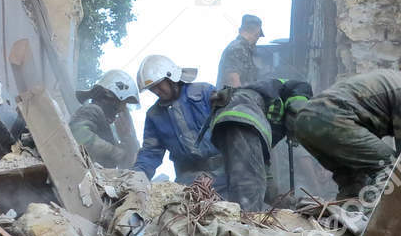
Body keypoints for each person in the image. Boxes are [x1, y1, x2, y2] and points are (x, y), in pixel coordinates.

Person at [286, 42, 401, 199]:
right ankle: (370, 221)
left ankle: (346, 218)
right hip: (331, 118)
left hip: (306, 122)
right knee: (391, 169)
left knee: (354, 180)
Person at [208, 76, 313, 212]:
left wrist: (279, 199)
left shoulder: (267, 116)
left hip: (225, 122)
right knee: (249, 183)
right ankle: (245, 226)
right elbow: (298, 112)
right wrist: (297, 134)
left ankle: (236, 219)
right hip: (243, 115)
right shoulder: (301, 87)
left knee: (247, 177)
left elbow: (262, 168)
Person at [133, 54, 221, 184]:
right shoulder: (154, 116)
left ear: (171, 77)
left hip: (225, 172)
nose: (156, 91)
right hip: (190, 181)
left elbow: (231, 128)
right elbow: (151, 152)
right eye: (151, 89)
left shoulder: (204, 92)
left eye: (158, 85)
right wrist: (137, 176)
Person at [69, 69, 140, 167]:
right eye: (123, 104)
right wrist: (116, 153)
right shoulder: (92, 109)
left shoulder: (103, 125)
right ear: (114, 99)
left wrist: (127, 139)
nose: (122, 109)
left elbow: (126, 162)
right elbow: (79, 135)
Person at [217, 14, 263, 90]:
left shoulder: (243, 48)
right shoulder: (237, 49)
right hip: (235, 100)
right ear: (257, 33)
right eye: (258, 35)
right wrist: (243, 99)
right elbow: (232, 79)